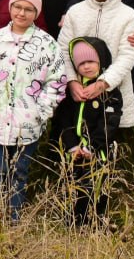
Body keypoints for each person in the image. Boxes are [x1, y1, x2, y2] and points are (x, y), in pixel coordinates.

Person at [0, 0, 68, 220]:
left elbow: (57, 82)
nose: (22, 13)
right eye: (17, 7)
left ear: (36, 13)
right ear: (11, 7)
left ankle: (13, 217)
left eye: (28, 9)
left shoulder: (48, 45)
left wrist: (40, 111)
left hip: (28, 124)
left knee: (19, 171)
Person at [58, 0, 134, 135]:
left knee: (104, 145)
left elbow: (127, 55)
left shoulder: (128, 15)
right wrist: (72, 82)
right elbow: (63, 49)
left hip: (112, 93)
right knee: (72, 139)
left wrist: (103, 83)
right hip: (79, 92)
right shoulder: (75, 12)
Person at [51, 37, 122, 227]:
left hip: (98, 152)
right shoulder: (72, 91)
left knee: (97, 184)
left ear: (101, 62)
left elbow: (109, 123)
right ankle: (73, 221)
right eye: (81, 63)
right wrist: (72, 145)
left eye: (91, 62)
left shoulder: (110, 93)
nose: (87, 67)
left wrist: (92, 146)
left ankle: (97, 220)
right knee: (73, 184)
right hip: (74, 152)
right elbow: (63, 120)